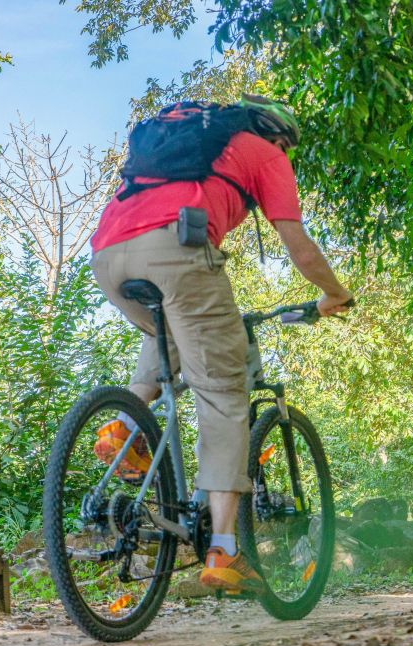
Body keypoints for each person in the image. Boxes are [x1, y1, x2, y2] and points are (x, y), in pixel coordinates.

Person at [89, 95, 353, 592]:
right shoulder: (263, 152)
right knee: (224, 391)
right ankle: (225, 552)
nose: (283, 154)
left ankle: (125, 427)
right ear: (278, 137)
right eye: (285, 147)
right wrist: (333, 294)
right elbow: (298, 245)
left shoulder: (195, 151)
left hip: (108, 255)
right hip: (176, 249)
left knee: (165, 331)